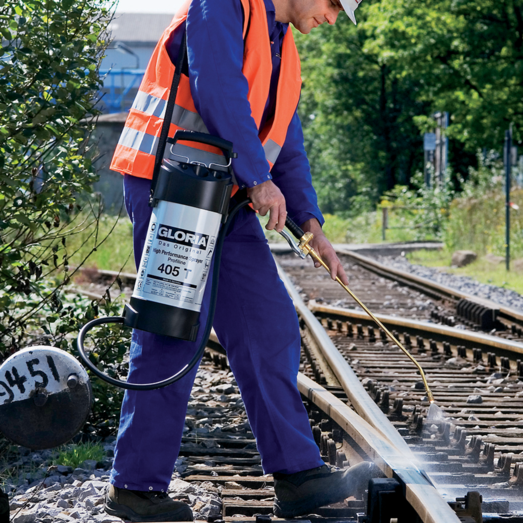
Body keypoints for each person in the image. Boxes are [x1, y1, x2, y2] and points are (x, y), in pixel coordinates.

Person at [104, 0, 380, 521]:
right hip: (171, 181)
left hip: (224, 194)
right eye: (331, 5)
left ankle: (297, 476)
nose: (332, 19)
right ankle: (135, 487)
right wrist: (257, 178)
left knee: (267, 322)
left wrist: (310, 221)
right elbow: (218, 89)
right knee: (173, 328)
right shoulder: (224, 4)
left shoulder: (284, 47)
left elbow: (284, 140)